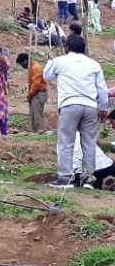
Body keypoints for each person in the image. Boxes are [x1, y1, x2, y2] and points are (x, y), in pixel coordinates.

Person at [44, 36, 108, 188]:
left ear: (67, 47)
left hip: (70, 105)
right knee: (89, 142)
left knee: (66, 141)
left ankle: (65, 178)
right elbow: (102, 88)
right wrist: (103, 108)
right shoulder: (94, 64)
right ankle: (88, 178)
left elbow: (47, 76)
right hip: (90, 106)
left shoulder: (60, 61)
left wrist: (50, 60)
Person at [19, 53, 49, 134]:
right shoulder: (32, 67)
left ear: (25, 61)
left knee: (37, 114)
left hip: (39, 93)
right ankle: (35, 132)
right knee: (33, 113)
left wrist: (30, 95)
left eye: (21, 64)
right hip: (36, 93)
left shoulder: (35, 67)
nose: (22, 67)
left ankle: (40, 131)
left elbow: (36, 84)